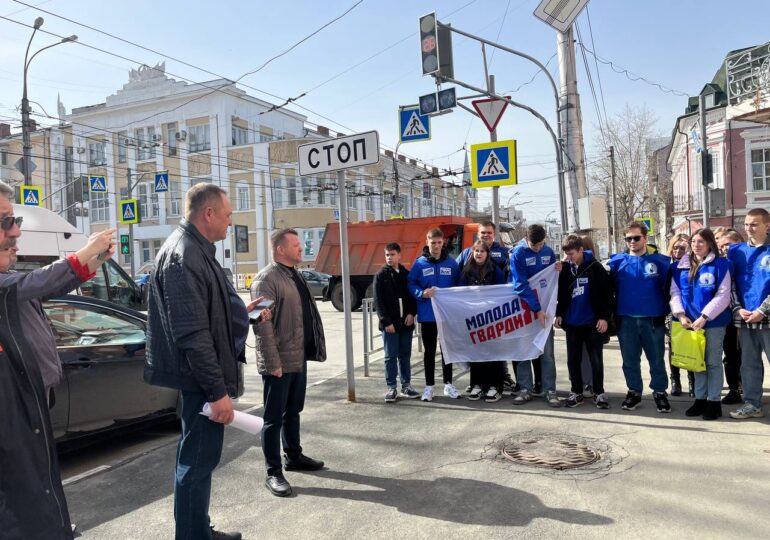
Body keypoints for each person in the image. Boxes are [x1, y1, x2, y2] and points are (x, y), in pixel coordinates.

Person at [145, 183, 254, 540]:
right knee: (196, 464)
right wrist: (216, 391)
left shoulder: (193, 249)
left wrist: (240, 311)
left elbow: (203, 312)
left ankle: (197, 530)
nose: (230, 222)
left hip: (199, 380)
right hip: (200, 383)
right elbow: (192, 333)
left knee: (196, 461)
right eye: (227, 215)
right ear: (209, 214)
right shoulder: (185, 254)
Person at [0, 181, 74, 539]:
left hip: (34, 404)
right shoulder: (8, 286)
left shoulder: (11, 282)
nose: (16, 233)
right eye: (5, 223)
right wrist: (80, 260)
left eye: (14, 221)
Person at [252, 228, 327, 497]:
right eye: (295, 245)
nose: (301, 248)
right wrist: (273, 363)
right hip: (279, 362)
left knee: (293, 410)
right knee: (273, 419)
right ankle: (273, 472)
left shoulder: (296, 275)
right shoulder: (266, 280)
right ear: (280, 249)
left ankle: (293, 456)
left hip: (297, 357)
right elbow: (261, 326)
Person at [1, 230, 116, 399]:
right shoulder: (7, 283)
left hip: (33, 381)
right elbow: (40, 280)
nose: (16, 249)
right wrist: (89, 250)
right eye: (8, 247)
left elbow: (54, 286)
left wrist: (98, 259)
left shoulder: (10, 278)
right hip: (20, 384)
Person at [609, 221, 672, 413]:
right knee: (629, 360)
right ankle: (634, 391)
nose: (632, 241)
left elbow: (671, 288)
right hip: (626, 319)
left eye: (636, 238)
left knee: (656, 360)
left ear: (645, 238)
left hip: (652, 320)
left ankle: (660, 392)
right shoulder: (616, 262)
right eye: (628, 238)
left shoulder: (661, 262)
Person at [670, 229, 732, 420]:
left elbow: (723, 295)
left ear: (710, 244)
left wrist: (705, 317)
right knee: (697, 363)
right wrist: (681, 315)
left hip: (713, 323)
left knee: (712, 363)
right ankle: (700, 400)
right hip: (688, 323)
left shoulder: (721, 265)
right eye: (694, 241)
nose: (696, 245)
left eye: (701, 242)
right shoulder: (680, 266)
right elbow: (675, 293)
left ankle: (714, 402)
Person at [555, 235, 612, 409]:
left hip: (592, 323)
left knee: (596, 360)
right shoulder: (565, 269)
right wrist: (559, 314)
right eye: (566, 254)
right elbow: (561, 293)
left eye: (571, 254)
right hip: (572, 323)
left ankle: (599, 392)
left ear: (581, 250)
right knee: (573, 360)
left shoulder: (595, 267)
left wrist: (604, 317)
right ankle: (576, 391)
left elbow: (606, 294)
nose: (569, 257)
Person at [455, 221, 513, 392]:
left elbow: (508, 280)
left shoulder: (503, 255)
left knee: (494, 348)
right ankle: (477, 383)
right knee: (476, 348)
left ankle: (498, 382)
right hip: (474, 315)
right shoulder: (466, 257)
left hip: (493, 314)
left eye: (489, 232)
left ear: (494, 234)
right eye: (483, 233)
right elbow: (456, 278)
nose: (486, 235)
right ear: (477, 235)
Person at [508, 224, 561, 407]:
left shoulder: (548, 252)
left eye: (541, 244)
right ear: (526, 239)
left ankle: (550, 390)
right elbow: (520, 284)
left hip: (544, 312)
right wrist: (536, 308)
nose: (538, 248)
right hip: (524, 310)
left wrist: (558, 269)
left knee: (547, 353)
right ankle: (525, 389)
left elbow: (552, 280)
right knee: (523, 351)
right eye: (534, 245)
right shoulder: (518, 254)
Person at [408, 227, 461, 401]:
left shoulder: (451, 263)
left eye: (439, 243)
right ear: (427, 242)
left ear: (443, 242)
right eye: (433, 243)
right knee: (429, 351)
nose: (436, 246)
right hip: (427, 315)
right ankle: (429, 387)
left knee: (447, 350)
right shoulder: (419, 264)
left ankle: (448, 385)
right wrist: (421, 293)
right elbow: (411, 283)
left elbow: (459, 285)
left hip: (446, 315)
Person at [727, 208, 770, 420]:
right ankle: (752, 404)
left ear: (767, 226)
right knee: (749, 364)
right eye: (746, 224)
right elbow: (730, 283)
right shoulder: (736, 251)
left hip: (767, 316)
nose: (748, 228)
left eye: (754, 224)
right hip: (745, 318)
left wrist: (763, 310)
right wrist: (737, 308)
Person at [372, 242, 419, 402]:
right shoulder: (381, 275)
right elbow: (378, 302)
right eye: (387, 255)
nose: (389, 258)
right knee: (390, 356)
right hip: (390, 325)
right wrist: (386, 322)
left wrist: (412, 313)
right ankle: (391, 387)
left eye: (392, 254)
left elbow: (412, 296)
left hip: (405, 324)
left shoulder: (406, 274)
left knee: (405, 355)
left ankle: (406, 385)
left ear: (399, 255)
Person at [716, 229, 744, 404]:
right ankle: (734, 389)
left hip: (751, 315)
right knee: (731, 355)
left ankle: (748, 388)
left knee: (749, 357)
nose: (725, 248)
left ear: (739, 241)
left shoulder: (746, 260)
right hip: (729, 316)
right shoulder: (723, 263)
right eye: (722, 245)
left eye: (729, 244)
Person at [665, 233, 695, 397]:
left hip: (691, 311)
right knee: (674, 347)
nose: (677, 251)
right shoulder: (668, 266)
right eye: (675, 247)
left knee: (691, 345)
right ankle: (675, 380)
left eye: (682, 248)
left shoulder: (693, 265)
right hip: (672, 312)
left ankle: (693, 381)